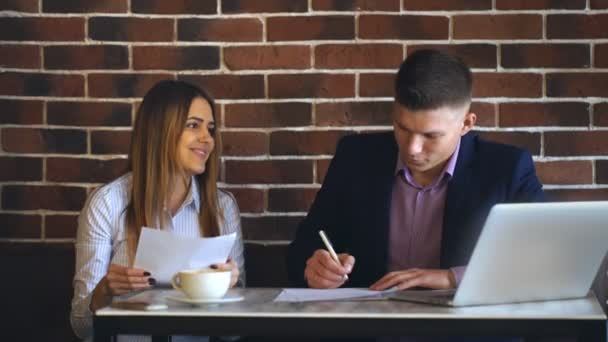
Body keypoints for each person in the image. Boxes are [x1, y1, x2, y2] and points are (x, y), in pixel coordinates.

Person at [287, 49, 544, 293]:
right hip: (370, 326)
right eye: (403, 128)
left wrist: (451, 277)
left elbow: (541, 261)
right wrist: (315, 268)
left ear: (466, 123)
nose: (412, 148)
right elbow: (303, 250)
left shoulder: (507, 169)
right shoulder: (355, 157)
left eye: (431, 136)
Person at [70, 80, 245, 342]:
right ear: (160, 131)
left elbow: (235, 333)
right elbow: (81, 327)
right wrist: (104, 292)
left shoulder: (223, 207)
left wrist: (230, 289)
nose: (207, 139)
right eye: (193, 125)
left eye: (210, 128)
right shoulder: (107, 203)